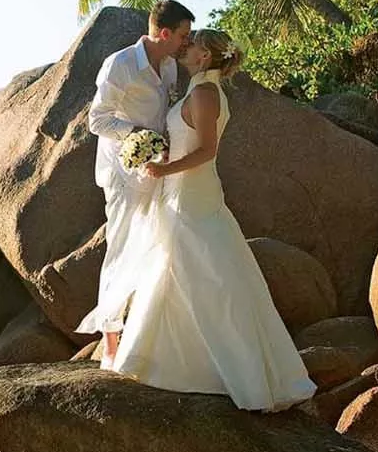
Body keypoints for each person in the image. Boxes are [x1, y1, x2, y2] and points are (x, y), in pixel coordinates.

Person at [108, 28, 316, 411]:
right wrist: (161, 154)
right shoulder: (198, 89)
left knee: (207, 274)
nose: (186, 47)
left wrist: (164, 170)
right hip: (181, 192)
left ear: (204, 56)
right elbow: (188, 141)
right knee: (175, 267)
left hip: (192, 195)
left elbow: (207, 150)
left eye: (193, 44)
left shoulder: (205, 93)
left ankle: (232, 372)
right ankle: (159, 361)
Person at [76, 0, 193, 369]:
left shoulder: (170, 66)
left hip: (158, 168)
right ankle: (111, 344)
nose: (187, 43)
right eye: (183, 35)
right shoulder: (121, 64)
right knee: (122, 247)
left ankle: (147, 332)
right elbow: (97, 120)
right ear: (164, 33)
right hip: (124, 173)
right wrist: (139, 134)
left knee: (156, 244)